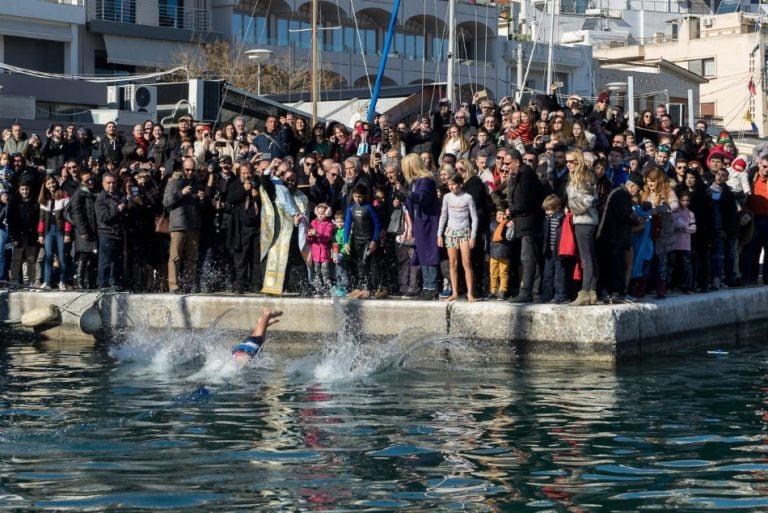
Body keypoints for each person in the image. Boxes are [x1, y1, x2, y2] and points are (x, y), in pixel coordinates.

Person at [437, 173, 478, 302]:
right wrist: (439, 234)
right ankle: (454, 292)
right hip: (450, 232)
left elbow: (475, 218)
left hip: (464, 231)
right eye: (450, 185)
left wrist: (473, 236)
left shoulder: (468, 197)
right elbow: (443, 216)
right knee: (452, 263)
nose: (452, 187)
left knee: (466, 262)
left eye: (454, 184)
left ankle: (470, 293)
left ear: (460, 184)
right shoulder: (447, 197)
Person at [565, 149, 599, 306]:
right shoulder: (578, 177)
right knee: (589, 256)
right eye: (567, 161)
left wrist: (571, 206)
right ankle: (591, 291)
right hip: (582, 220)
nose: (569, 164)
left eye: (572, 161)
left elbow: (588, 200)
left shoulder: (584, 177)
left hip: (585, 221)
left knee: (586, 258)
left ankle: (585, 291)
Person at [343, 185, 381, 299]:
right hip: (356, 240)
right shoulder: (351, 208)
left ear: (365, 196)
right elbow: (347, 225)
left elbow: (377, 224)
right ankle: (361, 286)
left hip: (368, 240)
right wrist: (345, 242)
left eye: (359, 197)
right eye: (355, 196)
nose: (357, 199)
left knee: (367, 263)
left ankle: (371, 288)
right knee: (359, 264)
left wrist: (374, 240)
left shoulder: (369, 207)